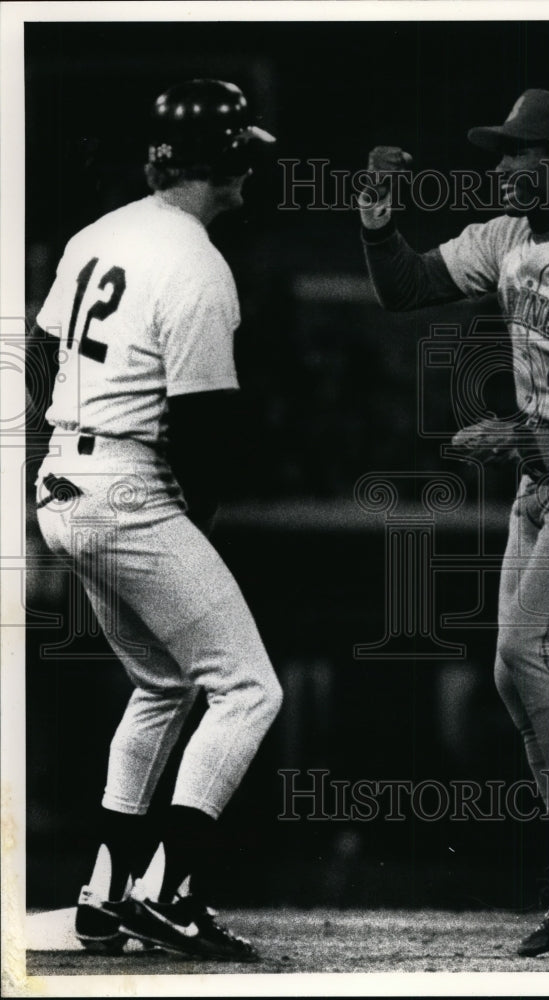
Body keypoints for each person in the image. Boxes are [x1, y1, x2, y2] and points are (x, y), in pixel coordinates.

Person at [359, 89, 549, 956]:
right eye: (497, 153)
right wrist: (379, 225)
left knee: (531, 650)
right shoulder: (506, 234)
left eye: (514, 154)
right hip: (548, 476)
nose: (497, 167)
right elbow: (408, 288)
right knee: (510, 667)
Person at [34, 79, 283, 962]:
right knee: (249, 689)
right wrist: (185, 521)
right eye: (247, 153)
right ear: (230, 164)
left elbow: (41, 357)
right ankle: (166, 893)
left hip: (63, 476)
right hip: (130, 487)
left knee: (162, 685)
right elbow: (208, 431)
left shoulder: (101, 233)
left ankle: (102, 896)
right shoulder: (199, 265)